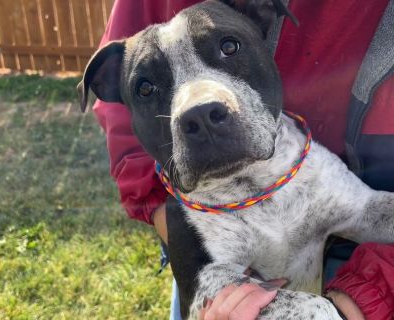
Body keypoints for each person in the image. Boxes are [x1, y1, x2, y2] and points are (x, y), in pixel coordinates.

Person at [92, 0, 394, 319]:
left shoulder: (309, 162)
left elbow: (374, 214)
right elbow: (204, 299)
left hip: (365, 273)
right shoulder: (187, 217)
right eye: (146, 87)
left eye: (229, 47)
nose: (198, 106)